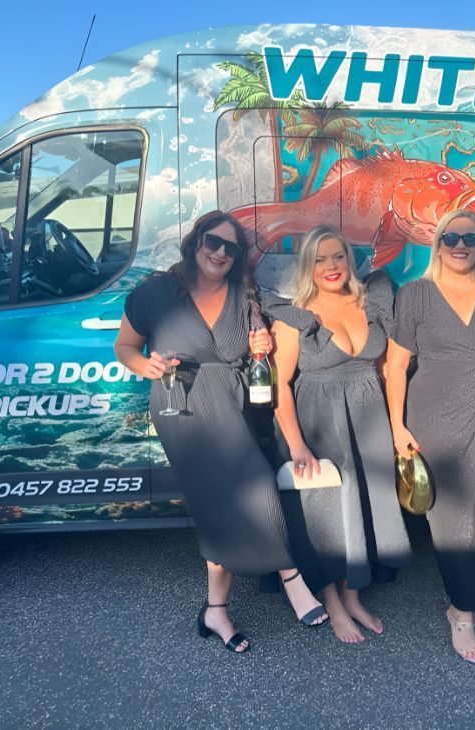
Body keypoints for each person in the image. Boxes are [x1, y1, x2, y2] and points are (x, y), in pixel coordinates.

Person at [114, 210, 328, 654]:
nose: (220, 253)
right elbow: (125, 347)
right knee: (254, 492)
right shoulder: (156, 293)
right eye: (213, 241)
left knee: (220, 510)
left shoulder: (242, 294)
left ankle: (216, 610)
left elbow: (257, 356)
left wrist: (261, 347)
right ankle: (292, 579)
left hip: (234, 408)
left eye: (231, 248)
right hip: (183, 408)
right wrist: (146, 366)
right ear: (196, 242)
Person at [385, 209, 475, 664]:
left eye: (469, 237)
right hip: (434, 420)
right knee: (448, 521)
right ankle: (461, 610)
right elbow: (395, 367)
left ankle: (465, 607)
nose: (460, 245)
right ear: (438, 243)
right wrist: (397, 427)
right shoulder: (415, 295)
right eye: (451, 237)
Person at [267, 225, 413, 644]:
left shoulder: (373, 300)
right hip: (318, 419)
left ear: (350, 260)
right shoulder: (296, 313)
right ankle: (332, 603)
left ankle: (352, 596)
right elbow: (280, 385)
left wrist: (398, 424)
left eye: (338, 257)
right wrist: (296, 444)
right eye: (319, 259)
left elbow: (389, 368)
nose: (330, 266)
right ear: (307, 266)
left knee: (366, 505)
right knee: (327, 514)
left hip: (369, 416)